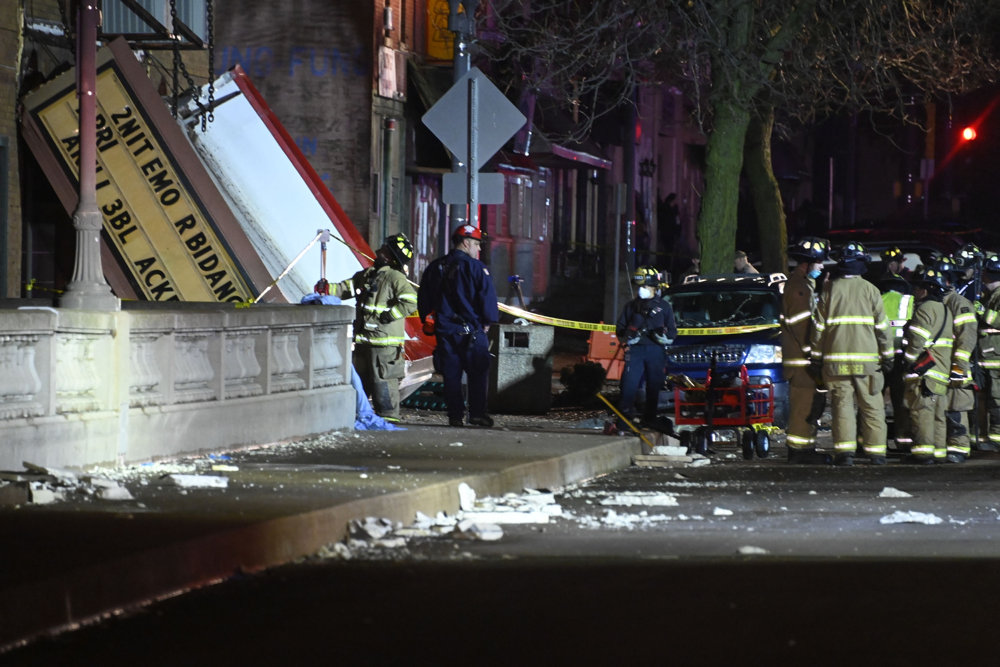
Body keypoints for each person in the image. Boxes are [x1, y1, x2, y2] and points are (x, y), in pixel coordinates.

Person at [810, 241, 894, 466]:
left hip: (836, 364)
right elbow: (883, 329)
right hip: (867, 364)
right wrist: (888, 356)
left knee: (842, 408)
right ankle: (876, 454)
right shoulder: (871, 290)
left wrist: (816, 358)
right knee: (872, 407)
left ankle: (845, 454)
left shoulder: (829, 290)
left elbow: (819, 329)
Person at [417, 224, 500, 428]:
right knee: (478, 372)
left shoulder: (435, 267)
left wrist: (429, 320)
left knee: (451, 374)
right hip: (472, 331)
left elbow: (423, 299)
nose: (478, 249)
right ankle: (477, 414)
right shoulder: (477, 268)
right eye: (476, 244)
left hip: (446, 331)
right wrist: (487, 322)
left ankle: (455, 416)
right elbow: (486, 298)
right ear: (466, 243)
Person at [332, 233, 418, 421]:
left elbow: (411, 301)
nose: (379, 250)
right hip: (364, 340)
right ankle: (356, 414)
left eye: (385, 248)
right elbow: (345, 288)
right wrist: (325, 289)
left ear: (389, 255)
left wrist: (388, 316)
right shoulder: (368, 275)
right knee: (359, 380)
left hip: (384, 343)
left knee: (383, 381)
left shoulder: (395, 278)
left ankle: (388, 416)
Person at [782, 237, 831, 464]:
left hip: (801, 359)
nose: (821, 267)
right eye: (819, 263)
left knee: (809, 404)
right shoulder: (799, 289)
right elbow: (803, 327)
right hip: (802, 361)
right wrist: (812, 353)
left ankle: (805, 448)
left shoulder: (803, 285)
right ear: (807, 263)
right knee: (803, 405)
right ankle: (799, 451)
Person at [614, 265, 677, 432]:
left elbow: (672, 331)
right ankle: (624, 420)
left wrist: (666, 338)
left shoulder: (663, 307)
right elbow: (620, 328)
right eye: (640, 287)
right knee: (629, 385)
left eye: (645, 286)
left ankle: (650, 419)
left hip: (656, 351)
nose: (641, 290)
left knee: (654, 387)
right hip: (635, 352)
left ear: (653, 288)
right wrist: (627, 337)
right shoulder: (631, 306)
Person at [900, 267, 954, 464]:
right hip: (941, 371)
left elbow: (917, 340)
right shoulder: (945, 310)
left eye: (917, 287)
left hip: (925, 373)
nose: (915, 291)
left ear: (925, 289)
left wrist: (909, 360)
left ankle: (923, 454)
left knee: (922, 413)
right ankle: (938, 453)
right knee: (938, 416)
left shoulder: (924, 309)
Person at [935, 256, 978, 463]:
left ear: (949, 280)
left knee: (956, 407)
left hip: (954, 365)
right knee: (940, 407)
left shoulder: (959, 303)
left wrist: (959, 367)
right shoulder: (935, 301)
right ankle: (943, 446)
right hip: (938, 365)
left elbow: (966, 337)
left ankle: (959, 447)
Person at [879, 262, 915, 451]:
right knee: (902, 401)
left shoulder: (876, 301)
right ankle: (904, 441)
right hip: (902, 358)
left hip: (880, 359)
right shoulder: (909, 301)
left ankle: (871, 441)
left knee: (875, 401)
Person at [975, 253, 1000, 451]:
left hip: (996, 357)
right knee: (989, 398)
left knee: (997, 399)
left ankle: (997, 438)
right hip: (987, 356)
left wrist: (982, 311)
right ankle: (987, 437)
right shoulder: (989, 295)